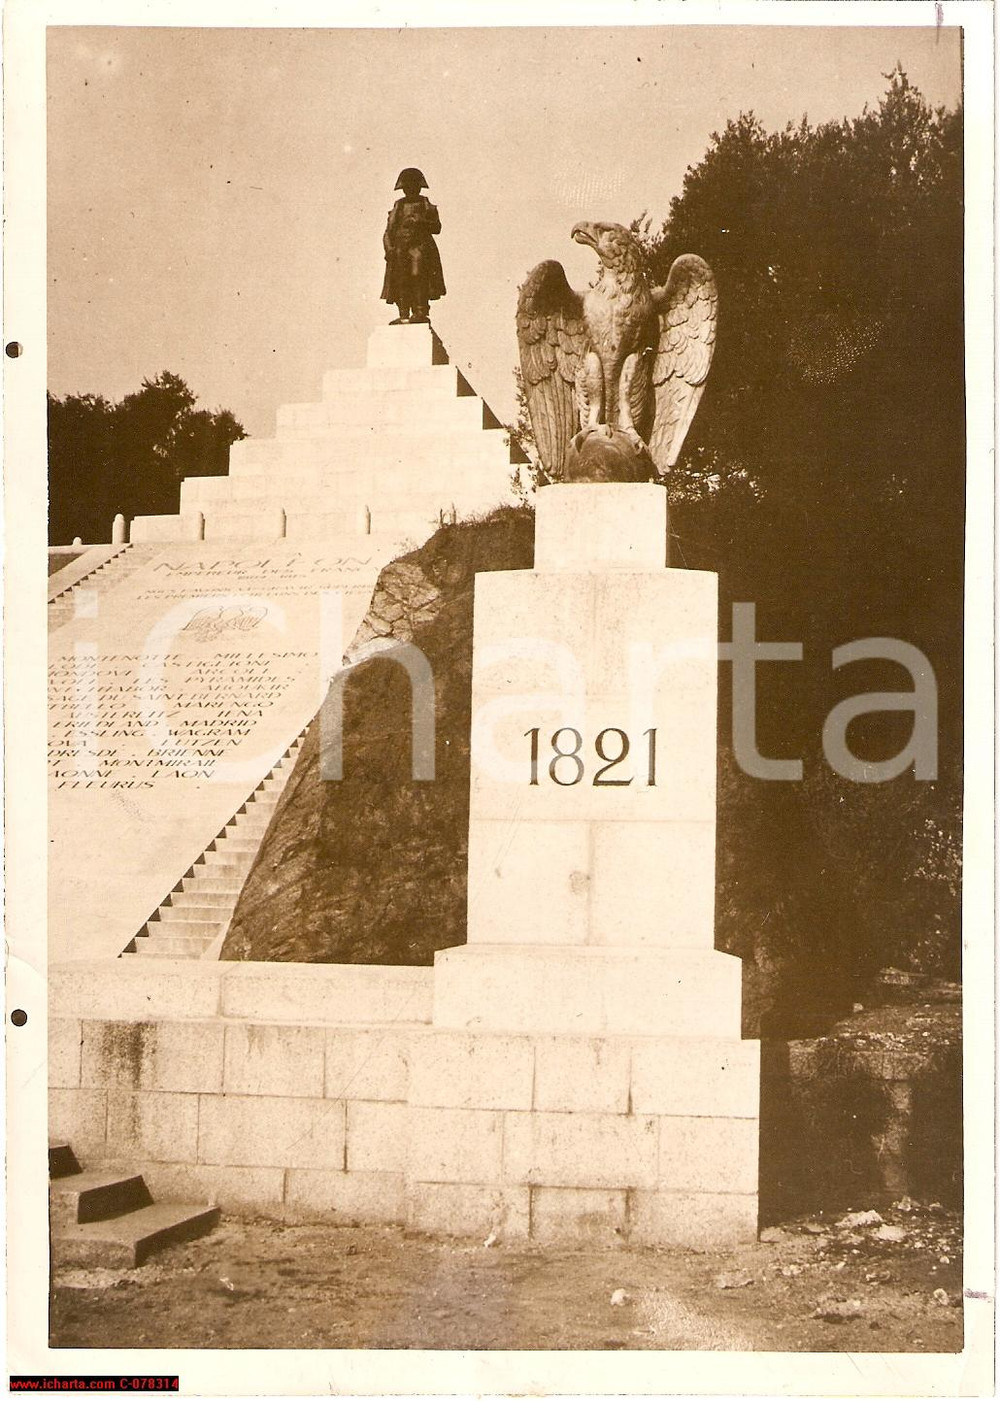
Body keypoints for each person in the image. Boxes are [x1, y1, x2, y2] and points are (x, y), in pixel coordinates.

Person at [381, 167, 445, 324]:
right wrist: (389, 248)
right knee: (401, 279)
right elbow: (389, 230)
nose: (410, 190)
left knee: (418, 277)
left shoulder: (425, 203)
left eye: (413, 186)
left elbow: (437, 227)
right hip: (400, 248)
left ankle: (420, 311)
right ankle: (403, 313)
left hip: (420, 246)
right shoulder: (399, 205)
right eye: (407, 187)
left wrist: (421, 221)